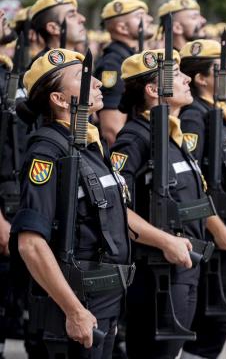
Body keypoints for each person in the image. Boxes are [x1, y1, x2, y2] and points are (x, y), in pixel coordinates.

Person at [10, 48, 180, 358]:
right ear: (60, 100)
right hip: (81, 300)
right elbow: (30, 244)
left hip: (107, 297)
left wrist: (166, 241)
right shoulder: (47, 151)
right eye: (82, 77)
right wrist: (73, 310)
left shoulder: (87, 145)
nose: (99, 82)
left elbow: (116, 214)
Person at [111, 49, 214, 358]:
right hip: (155, 270)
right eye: (177, 75)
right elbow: (115, 210)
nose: (186, 79)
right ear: (154, 90)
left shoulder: (172, 137)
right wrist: (165, 241)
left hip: (184, 265)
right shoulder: (135, 138)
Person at [178, 39, 226, 359]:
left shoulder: (217, 111)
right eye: (222, 68)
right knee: (212, 320)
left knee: (220, 316)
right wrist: (217, 227)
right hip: (216, 230)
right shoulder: (195, 117)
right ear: (202, 78)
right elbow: (192, 184)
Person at [94, 0, 153, 145]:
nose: (150, 19)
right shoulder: (113, 64)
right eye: (140, 16)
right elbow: (111, 129)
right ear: (122, 28)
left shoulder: (130, 58)